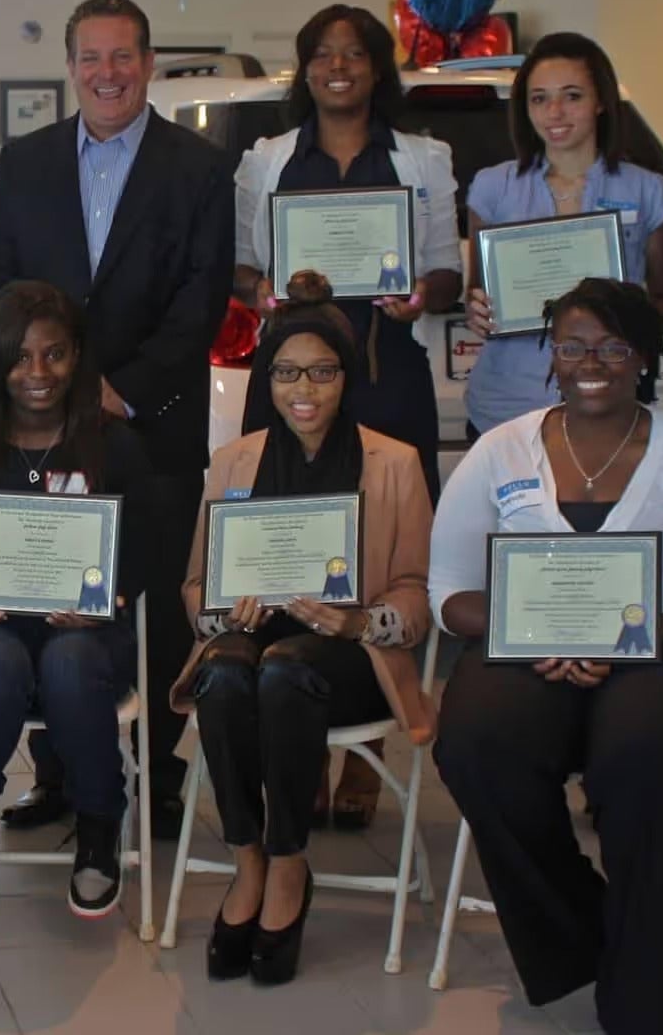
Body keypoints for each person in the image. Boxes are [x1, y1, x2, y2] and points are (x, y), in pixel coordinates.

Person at [430, 278, 663, 1035]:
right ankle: (605, 937)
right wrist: (533, 631)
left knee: (639, 752)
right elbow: (449, 592)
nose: (592, 361)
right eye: (573, 345)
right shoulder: (501, 450)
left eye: (614, 346)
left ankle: (648, 1006)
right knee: (474, 742)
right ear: (550, 357)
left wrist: (637, 630)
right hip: (535, 652)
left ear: (644, 358)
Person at [0, 0, 234, 836]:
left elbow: (202, 299)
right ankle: (55, 770)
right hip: (39, 423)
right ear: (71, 66)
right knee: (48, 593)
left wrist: (120, 389)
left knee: (154, 598)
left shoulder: (196, 167)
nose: (107, 73)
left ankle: (156, 772)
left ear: (149, 63)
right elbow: (5, 281)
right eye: (91, 57)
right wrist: (38, 384)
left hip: (151, 423)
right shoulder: (25, 161)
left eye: (123, 56)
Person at [232, 3, 463, 830]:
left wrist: (421, 296)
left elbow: (444, 271)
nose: (339, 65)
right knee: (295, 536)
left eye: (355, 53)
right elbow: (245, 260)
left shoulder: (424, 159)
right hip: (292, 376)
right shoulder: (267, 160)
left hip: (384, 371)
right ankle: (307, 736)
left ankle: (369, 753)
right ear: (306, 67)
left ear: (377, 66)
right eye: (322, 53)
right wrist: (256, 291)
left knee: (385, 548)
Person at [170, 275, 433, 987]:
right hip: (253, 642)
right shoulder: (233, 463)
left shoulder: (395, 462)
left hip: (346, 657)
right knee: (225, 673)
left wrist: (361, 617)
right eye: (285, 372)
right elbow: (196, 585)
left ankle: (288, 864)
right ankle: (248, 858)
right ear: (268, 378)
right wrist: (224, 610)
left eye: (322, 371)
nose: (303, 389)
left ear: (346, 376)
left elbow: (416, 588)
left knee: (285, 668)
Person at [0, 280, 154, 923]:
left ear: (78, 358)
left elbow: (143, 552)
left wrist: (108, 597)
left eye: (54, 354)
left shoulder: (116, 446)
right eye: (19, 357)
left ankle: (99, 821)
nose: (38, 373)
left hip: (89, 631)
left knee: (70, 659)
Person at [463, 32, 663, 437]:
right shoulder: (493, 187)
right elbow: (476, 293)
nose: (555, 112)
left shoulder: (647, 190)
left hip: (608, 401)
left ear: (601, 101)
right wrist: (477, 310)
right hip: (506, 406)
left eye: (572, 96)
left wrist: (625, 323)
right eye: (539, 98)